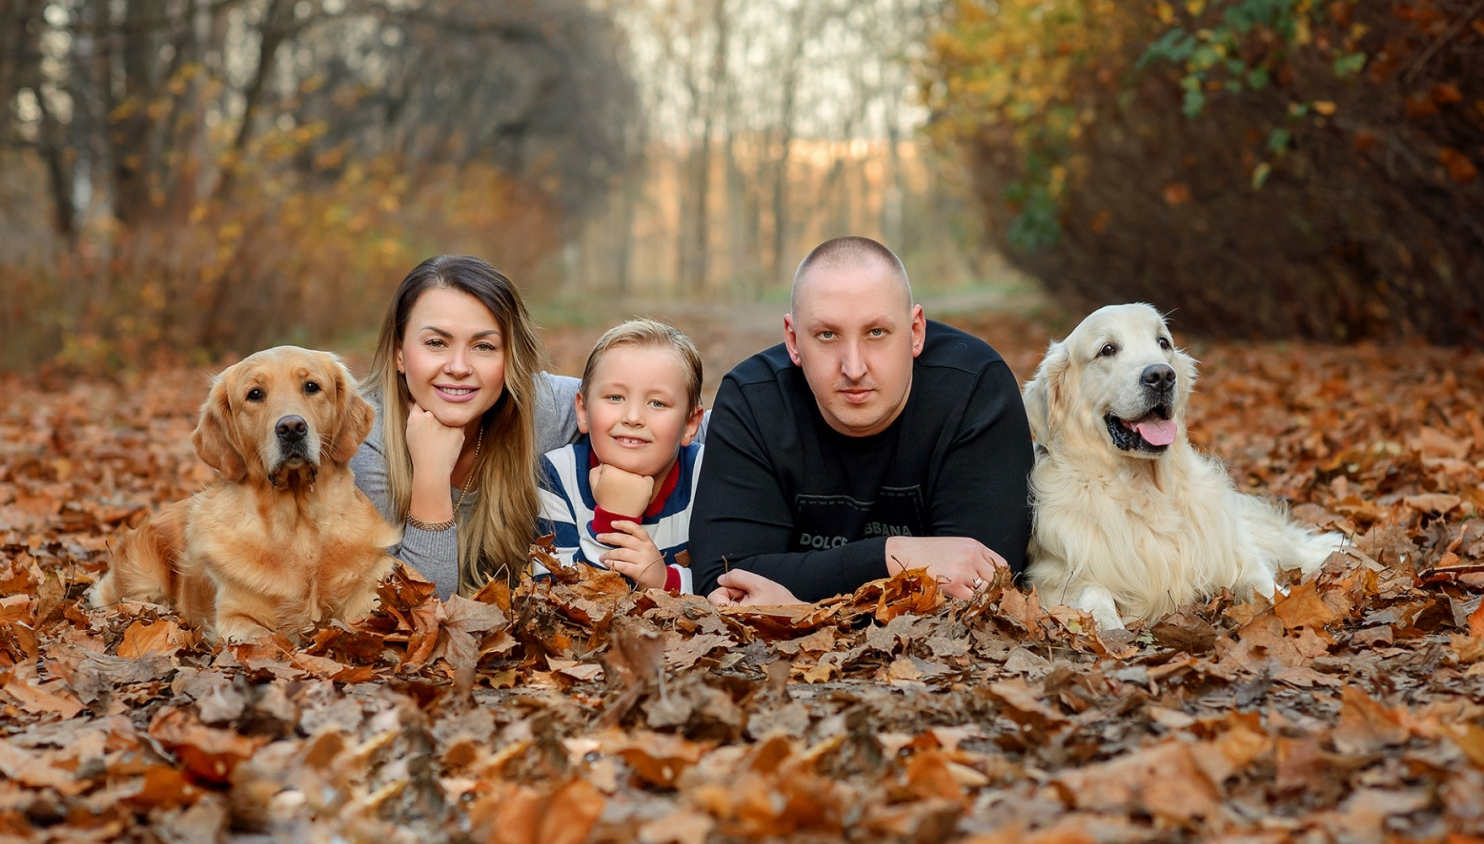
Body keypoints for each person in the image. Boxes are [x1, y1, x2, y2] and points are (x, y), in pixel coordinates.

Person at [690, 236, 1033, 606]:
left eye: (876, 333)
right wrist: (895, 556)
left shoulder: (975, 388)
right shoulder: (752, 400)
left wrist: (798, 593)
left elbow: (982, 584)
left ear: (916, 332)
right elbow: (722, 581)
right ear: (792, 340)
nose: (853, 368)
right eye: (826, 335)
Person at [352, 255, 579, 599]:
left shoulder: (543, 408)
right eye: (436, 343)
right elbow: (418, 608)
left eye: (483, 346)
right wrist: (430, 475)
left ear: (510, 356)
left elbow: (670, 415)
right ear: (399, 353)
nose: (458, 367)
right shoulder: (362, 435)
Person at [536, 319, 706, 593]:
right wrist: (614, 516)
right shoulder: (557, 475)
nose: (633, 417)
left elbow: (731, 582)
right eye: (615, 397)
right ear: (582, 410)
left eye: (657, 403)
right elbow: (554, 599)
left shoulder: (705, 474)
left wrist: (665, 582)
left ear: (690, 424)